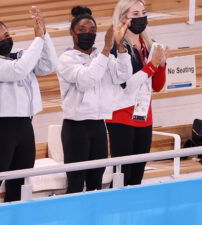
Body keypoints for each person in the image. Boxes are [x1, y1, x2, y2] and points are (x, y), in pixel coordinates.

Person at [57, 5, 162, 194]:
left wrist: (120, 46)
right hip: (76, 126)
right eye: (82, 30)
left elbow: (122, 75)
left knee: (96, 182)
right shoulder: (66, 58)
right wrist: (107, 49)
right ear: (72, 33)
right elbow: (86, 80)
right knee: (76, 182)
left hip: (98, 125)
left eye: (92, 30)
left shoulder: (101, 55)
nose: (88, 34)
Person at [0, 7, 58, 206]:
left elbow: (48, 65)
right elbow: (18, 71)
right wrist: (37, 40)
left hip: (25, 128)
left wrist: (44, 34)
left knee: (18, 186)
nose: (4, 40)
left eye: (7, 35)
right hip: (2, 130)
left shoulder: (20, 57)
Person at [106, 0, 168, 186]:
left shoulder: (150, 44)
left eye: (143, 12)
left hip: (144, 113)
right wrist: (152, 66)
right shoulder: (117, 47)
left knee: (137, 174)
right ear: (124, 17)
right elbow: (128, 85)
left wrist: (162, 65)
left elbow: (157, 86)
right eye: (136, 14)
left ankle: (133, 213)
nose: (141, 18)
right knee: (123, 173)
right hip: (121, 114)